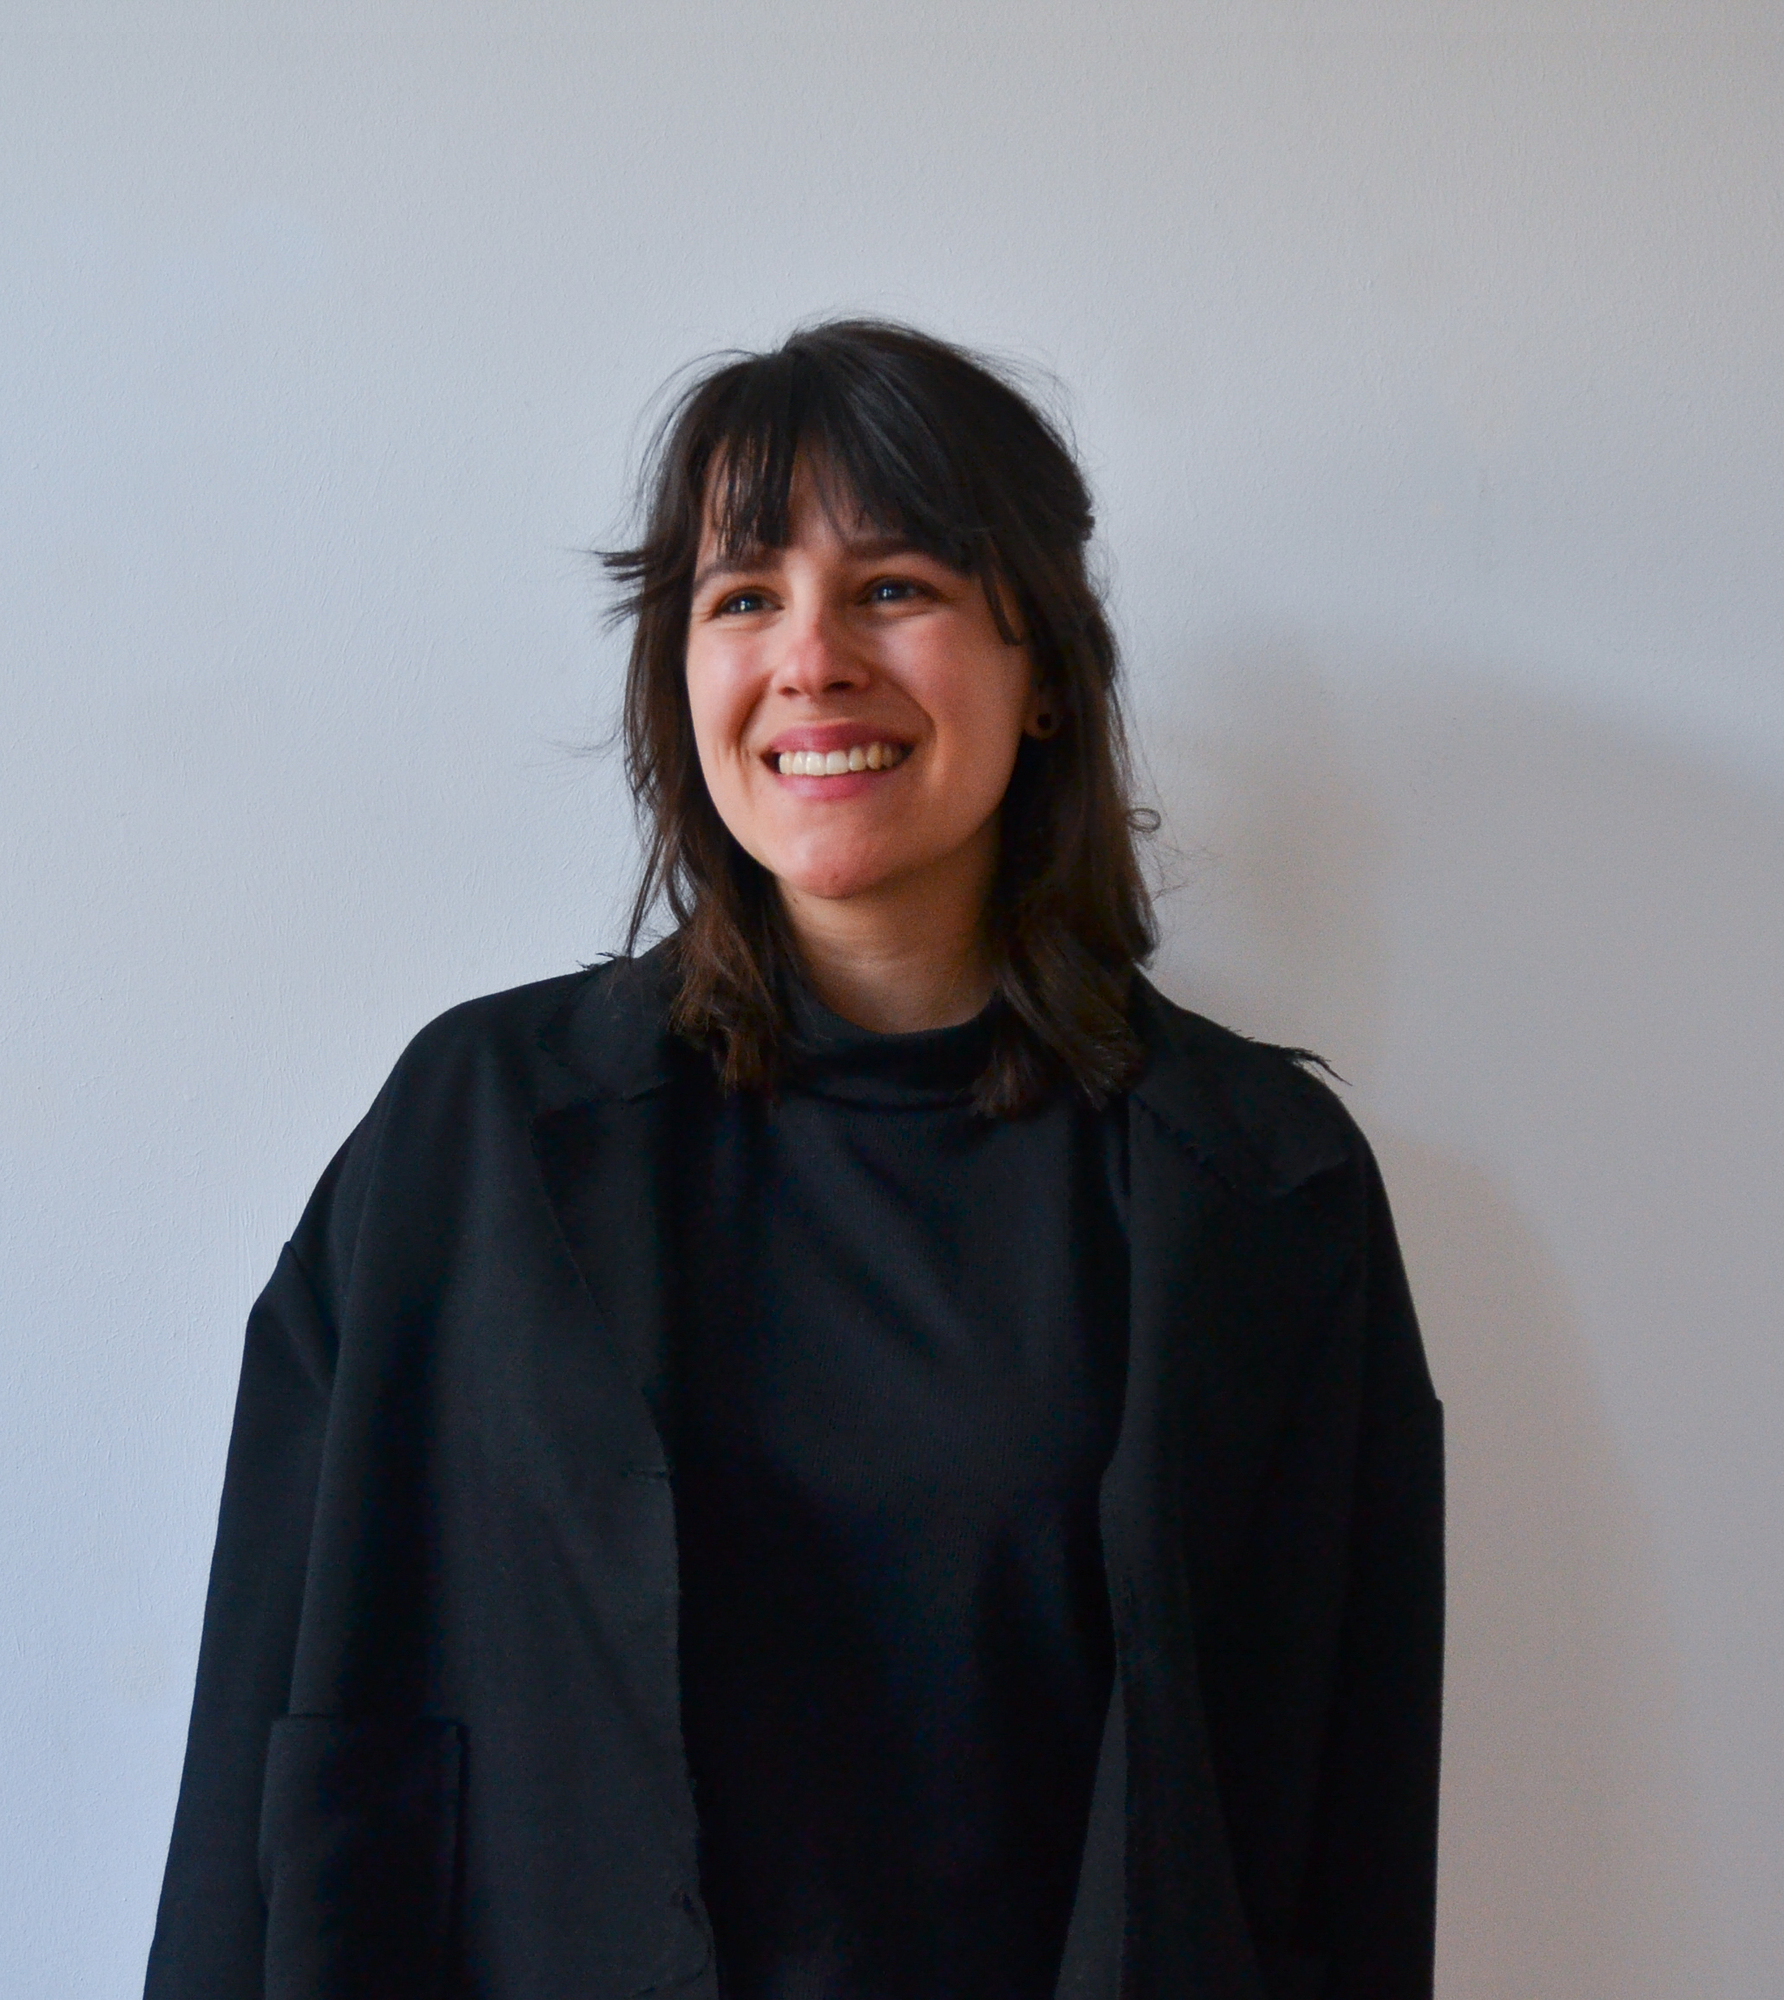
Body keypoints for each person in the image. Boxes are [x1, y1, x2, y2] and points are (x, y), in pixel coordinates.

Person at [144, 321, 1443, 2000]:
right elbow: (270, 1740)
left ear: (1043, 669)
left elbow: (1340, 1829)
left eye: (893, 586)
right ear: (678, 682)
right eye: (743, 596)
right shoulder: (470, 1143)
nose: (811, 659)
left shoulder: (1261, 1191)